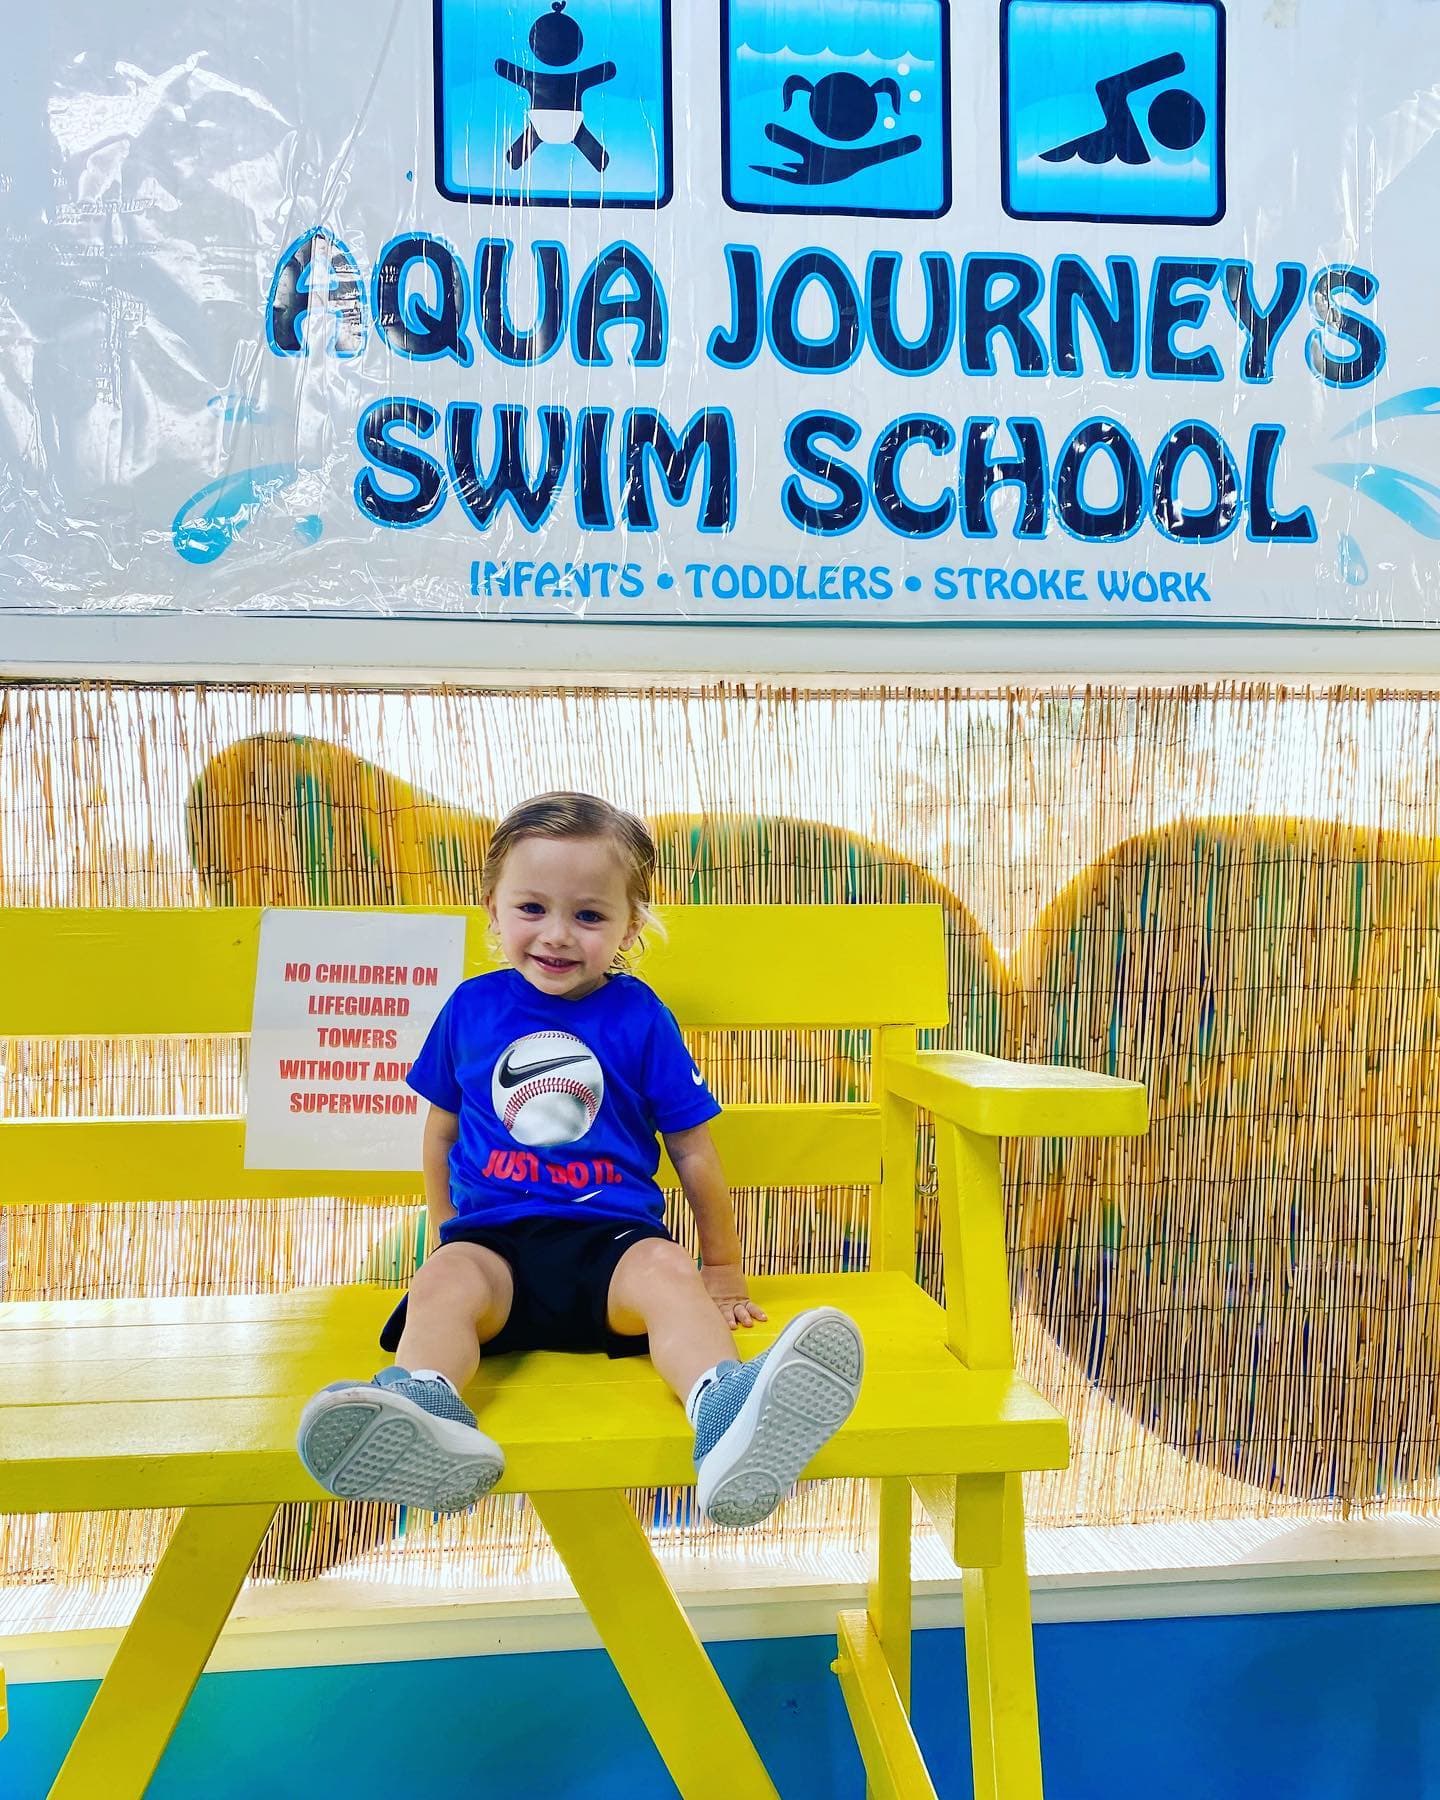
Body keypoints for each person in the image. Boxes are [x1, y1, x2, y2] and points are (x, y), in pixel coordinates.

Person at [297, 792, 863, 1528]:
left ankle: (725, 1411)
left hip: (610, 1252)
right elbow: (439, 1134)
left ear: (631, 925)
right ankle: (426, 1408)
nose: (558, 935)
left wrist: (720, 1269)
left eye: (589, 915)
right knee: (444, 1283)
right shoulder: (470, 1008)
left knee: (668, 1272)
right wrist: (446, 1232)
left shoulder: (638, 1016)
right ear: (493, 911)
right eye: (532, 908)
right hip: (496, 1251)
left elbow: (692, 1149)